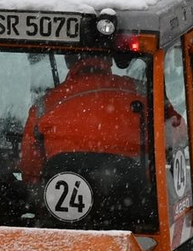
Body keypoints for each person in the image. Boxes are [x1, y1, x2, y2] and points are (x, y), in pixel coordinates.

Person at [20, 53, 148, 185]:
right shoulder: (142, 93)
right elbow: (169, 133)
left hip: (58, 198)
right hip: (133, 193)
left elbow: (31, 168)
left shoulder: (45, 105)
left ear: (68, 61)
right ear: (110, 60)